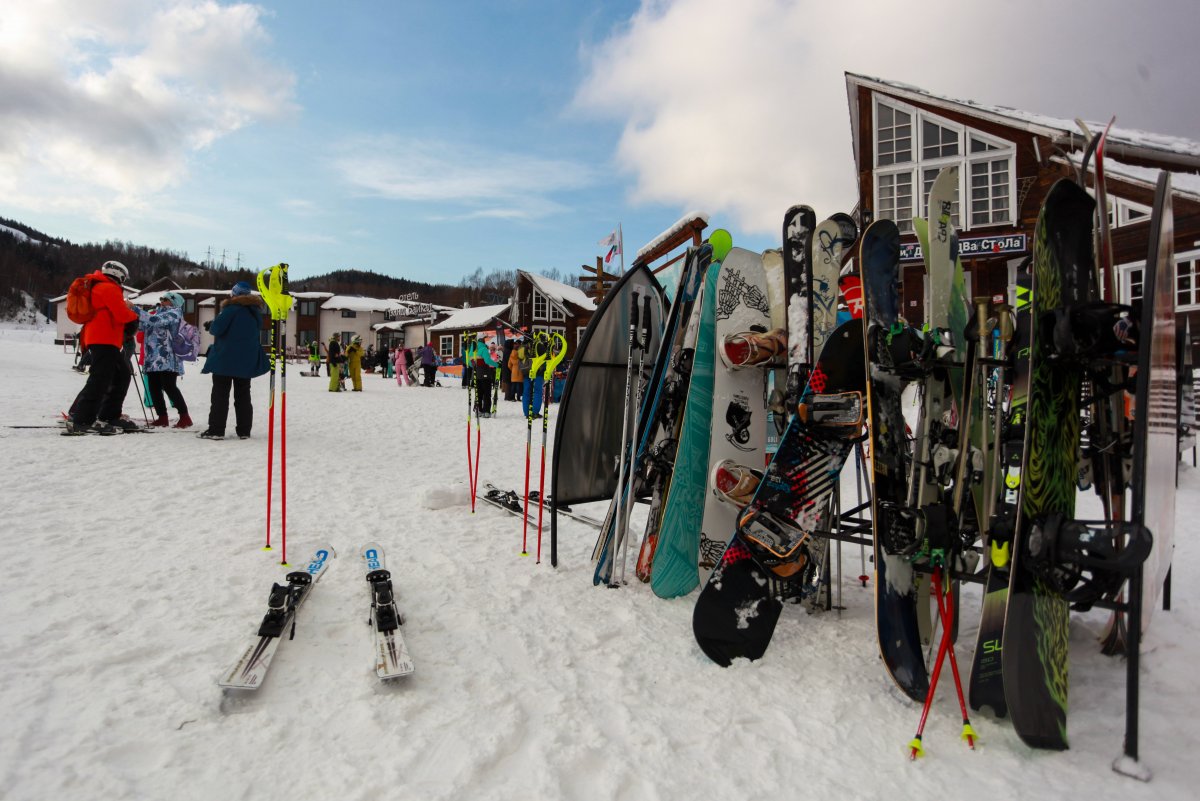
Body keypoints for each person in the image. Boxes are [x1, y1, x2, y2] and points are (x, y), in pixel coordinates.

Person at [63, 260, 139, 436]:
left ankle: (108, 415)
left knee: (121, 375)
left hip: (104, 339)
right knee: (100, 379)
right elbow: (121, 313)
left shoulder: (100, 286)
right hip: (103, 339)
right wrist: (134, 314)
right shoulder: (108, 288)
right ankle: (82, 419)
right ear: (119, 274)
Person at [198, 281, 270, 440]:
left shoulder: (230, 309)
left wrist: (211, 325)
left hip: (225, 359)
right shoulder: (255, 312)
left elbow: (217, 329)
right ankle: (244, 431)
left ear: (234, 294)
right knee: (243, 395)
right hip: (246, 361)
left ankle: (216, 430)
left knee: (220, 395)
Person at [134, 291, 192, 428]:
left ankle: (185, 416)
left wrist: (135, 309)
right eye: (161, 298)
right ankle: (162, 417)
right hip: (153, 358)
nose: (161, 301)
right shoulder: (157, 313)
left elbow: (154, 321)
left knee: (169, 386)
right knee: (154, 387)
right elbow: (143, 325)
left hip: (168, 358)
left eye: (165, 299)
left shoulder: (174, 313)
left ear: (174, 302)